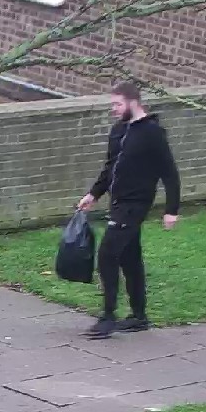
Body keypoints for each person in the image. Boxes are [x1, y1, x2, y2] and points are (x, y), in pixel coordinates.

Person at [77, 81, 181, 339]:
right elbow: (109, 167)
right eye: (112, 104)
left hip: (134, 205)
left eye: (117, 104)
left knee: (107, 255)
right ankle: (139, 316)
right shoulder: (119, 130)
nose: (113, 109)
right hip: (117, 202)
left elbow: (169, 173)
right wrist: (93, 193)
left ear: (133, 102)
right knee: (130, 258)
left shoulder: (152, 132)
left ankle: (108, 317)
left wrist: (171, 210)